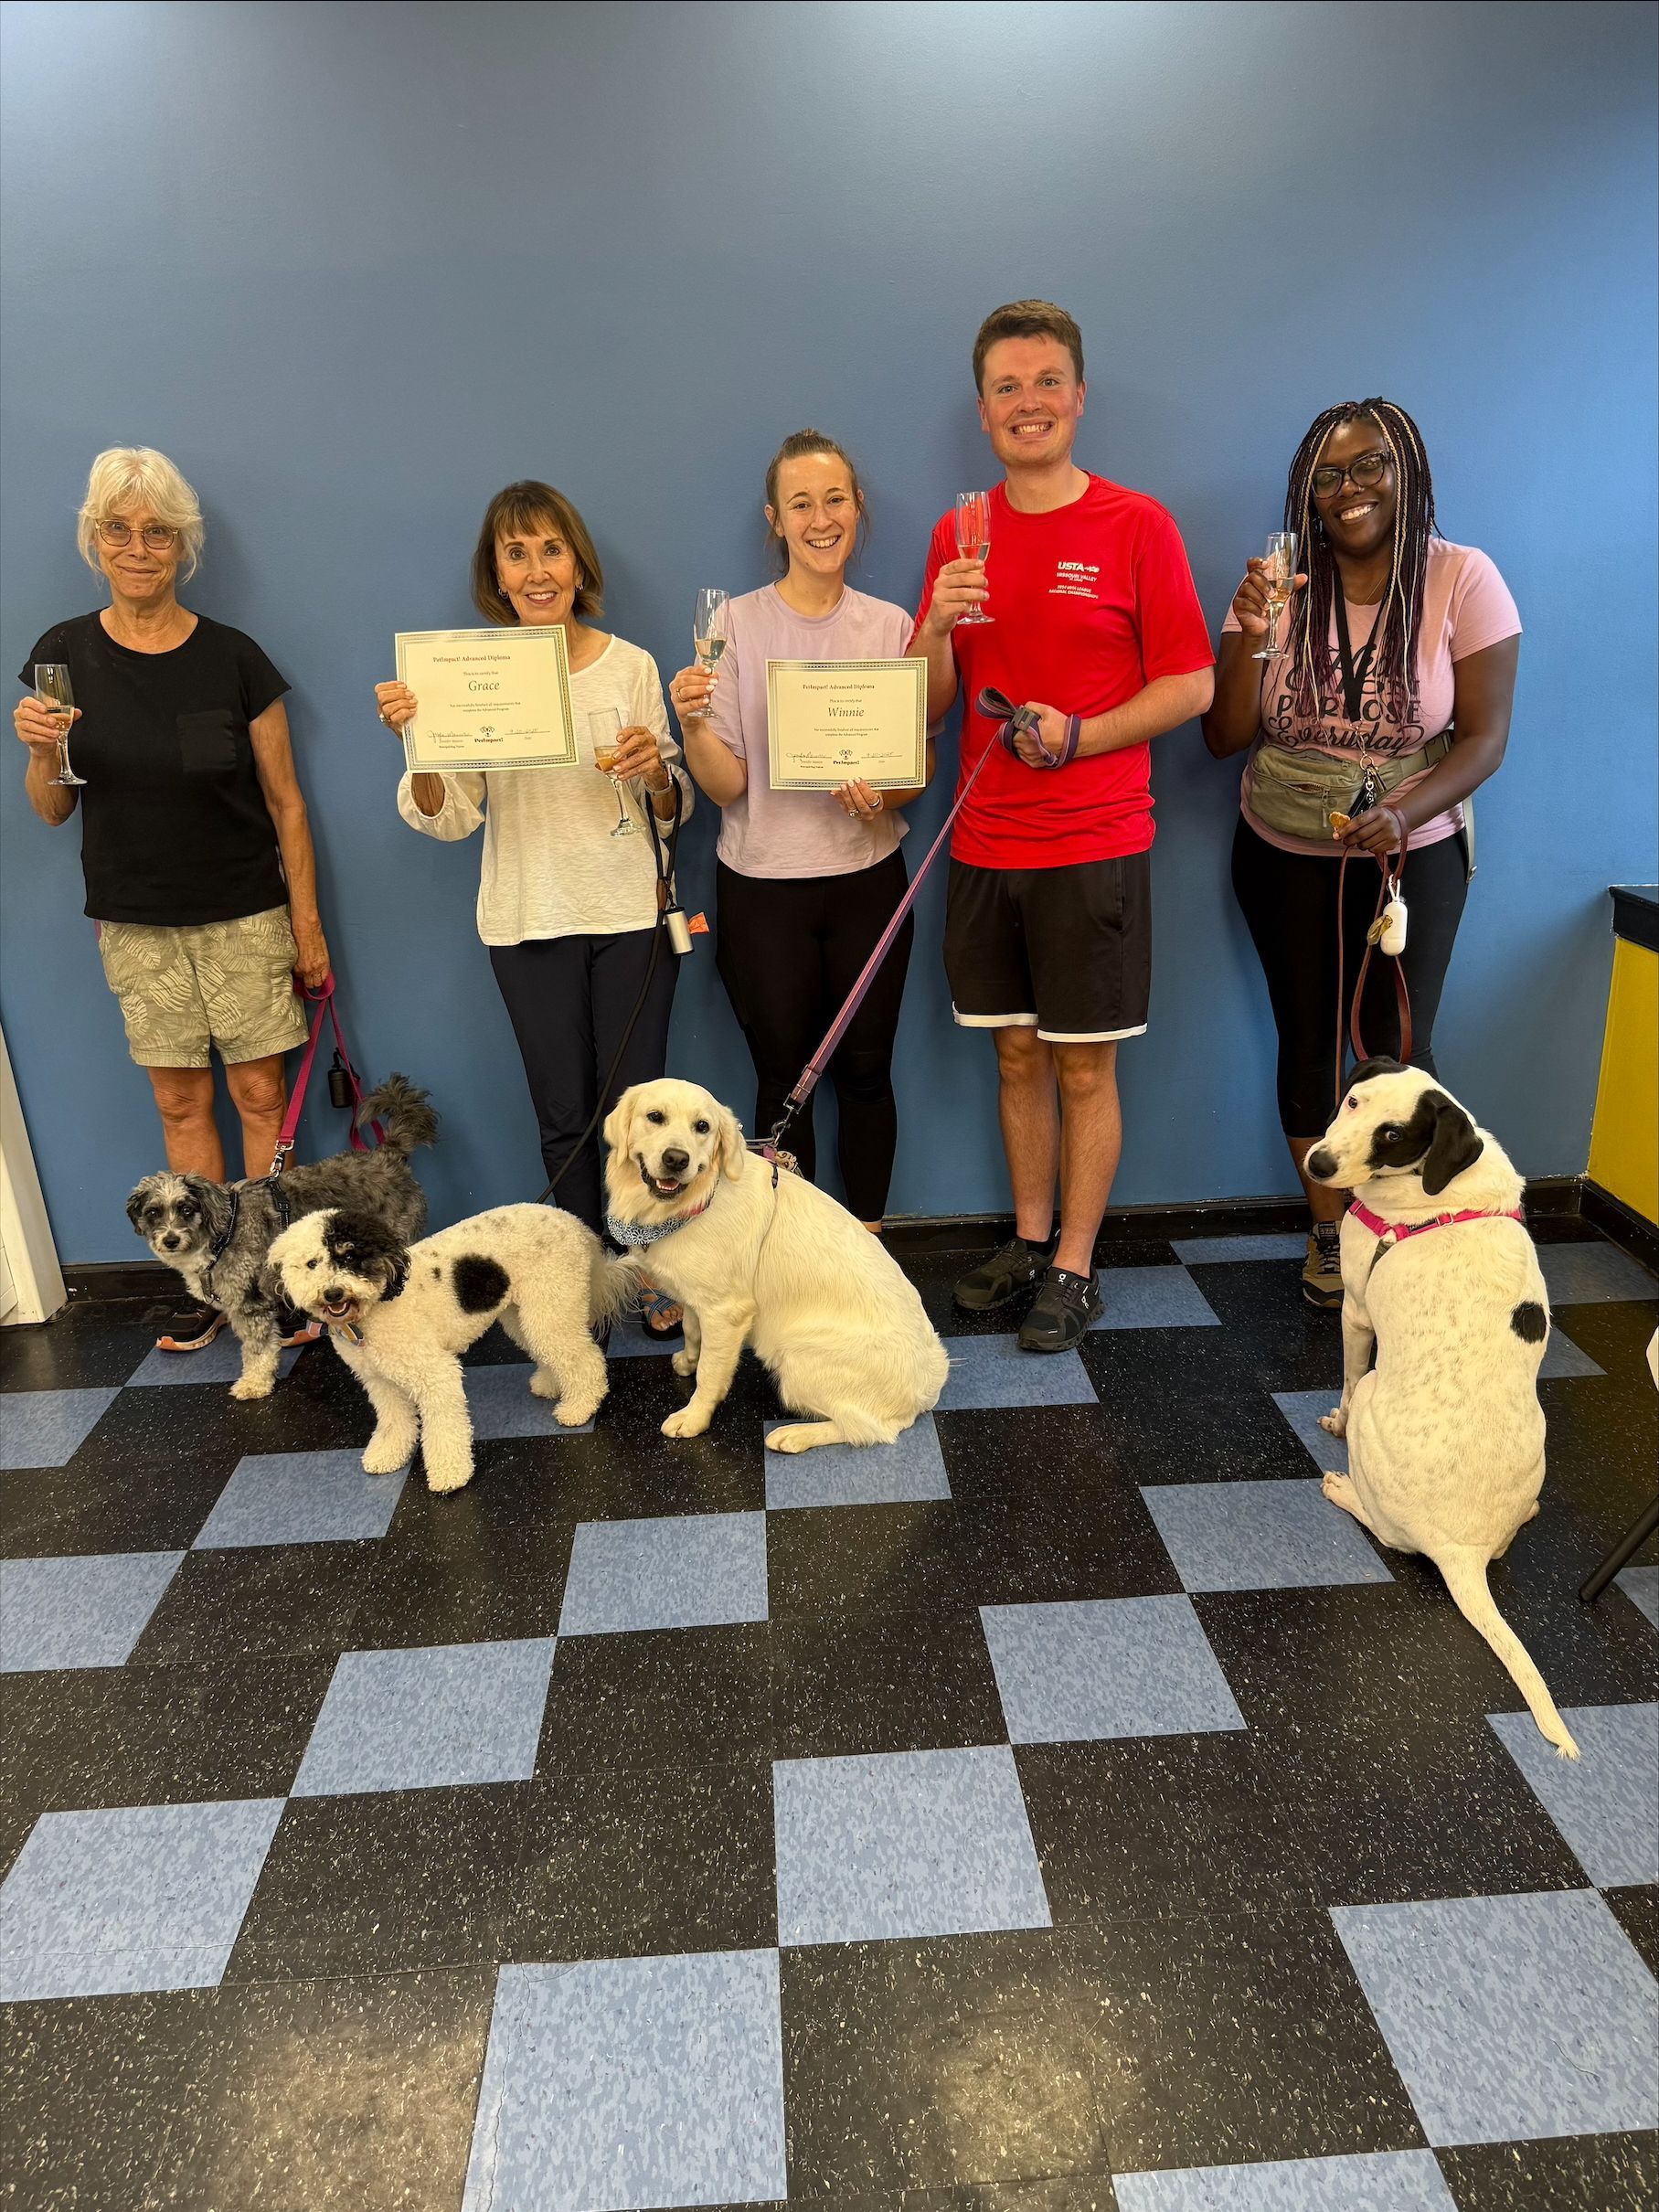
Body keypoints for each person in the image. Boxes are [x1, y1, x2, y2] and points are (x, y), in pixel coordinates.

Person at [909, 302, 1214, 1350]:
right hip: (984, 842)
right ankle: (1030, 1243)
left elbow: (1193, 684)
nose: (1027, 402)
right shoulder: (960, 535)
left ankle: (1077, 1267)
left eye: (1046, 382)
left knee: (1085, 1064)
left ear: (1078, 398)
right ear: (984, 410)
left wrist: (1082, 733)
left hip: (1093, 843)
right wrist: (938, 627)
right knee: (1015, 1058)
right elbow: (932, 704)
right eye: (1007, 387)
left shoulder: (1137, 525)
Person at [1201, 399, 1521, 1308]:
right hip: (1281, 846)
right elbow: (1224, 735)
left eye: (1372, 465)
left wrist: (1407, 808)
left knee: (1391, 1050)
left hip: (1407, 855)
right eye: (1329, 475)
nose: (1351, 489)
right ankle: (1332, 1235)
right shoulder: (1273, 581)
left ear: (1409, 471)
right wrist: (1251, 636)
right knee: (1306, 1041)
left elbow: (1485, 739)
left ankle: (1401, 1237)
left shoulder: (1464, 577)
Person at [14, 447, 329, 1353]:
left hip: (244, 913)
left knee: (262, 1094)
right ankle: (211, 1281)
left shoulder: (235, 658)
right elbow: (50, 807)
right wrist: (39, 751)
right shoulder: (59, 656)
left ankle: (275, 1276)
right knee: (183, 1105)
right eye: (119, 528)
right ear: (94, 540)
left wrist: (306, 926)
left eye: (157, 531)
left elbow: (288, 805)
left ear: (183, 545)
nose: (138, 545)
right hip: (138, 921)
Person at [374, 480, 692, 1330]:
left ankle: (648, 1270)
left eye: (550, 548)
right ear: (498, 575)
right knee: (563, 1118)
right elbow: (449, 818)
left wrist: (657, 771)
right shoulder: (464, 674)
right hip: (525, 920)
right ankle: (583, 1278)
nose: (536, 568)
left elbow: (675, 808)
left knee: (641, 1117)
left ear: (576, 561)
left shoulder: (630, 667)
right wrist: (421, 741)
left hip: (629, 915)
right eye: (517, 553)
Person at [669, 430, 933, 1230]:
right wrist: (693, 727)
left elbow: (911, 779)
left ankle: (868, 1247)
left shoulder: (891, 627)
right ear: (774, 521)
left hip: (867, 883)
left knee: (865, 1073)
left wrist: (878, 796)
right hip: (760, 890)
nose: (820, 518)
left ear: (858, 510)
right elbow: (729, 786)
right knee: (783, 1079)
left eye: (834, 499)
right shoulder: (733, 627)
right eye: (800, 504)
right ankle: (794, 1257)